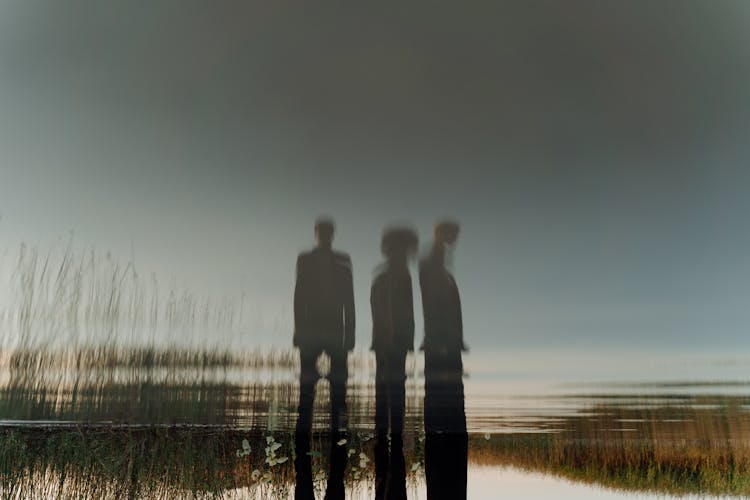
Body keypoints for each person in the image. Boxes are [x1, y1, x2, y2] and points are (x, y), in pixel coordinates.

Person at [293, 217, 355, 431]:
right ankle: (303, 429)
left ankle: (340, 430)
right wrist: (299, 330)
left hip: (336, 330)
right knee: (307, 386)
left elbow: (350, 301)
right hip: (311, 330)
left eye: (327, 232)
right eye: (321, 232)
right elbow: (299, 298)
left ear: (332, 234)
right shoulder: (305, 260)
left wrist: (350, 334)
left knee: (339, 387)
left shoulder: (343, 261)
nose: (324, 235)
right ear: (316, 234)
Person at [419, 220, 466, 433]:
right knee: (444, 398)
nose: (455, 241)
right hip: (441, 343)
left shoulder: (442, 269)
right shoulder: (432, 268)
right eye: (452, 235)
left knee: (444, 398)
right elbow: (434, 307)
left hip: (444, 341)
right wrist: (442, 341)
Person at [370, 227, 418, 436]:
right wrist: (396, 335)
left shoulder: (392, 275)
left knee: (388, 385)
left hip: (392, 339)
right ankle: (390, 431)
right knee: (392, 385)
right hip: (390, 340)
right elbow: (385, 309)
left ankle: (388, 430)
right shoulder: (393, 276)